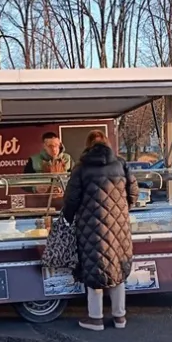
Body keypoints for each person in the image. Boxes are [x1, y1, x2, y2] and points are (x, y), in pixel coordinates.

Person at [62, 129, 139, 331]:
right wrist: (123, 211)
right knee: (116, 268)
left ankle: (95, 319)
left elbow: (71, 198)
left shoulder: (81, 167)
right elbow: (134, 192)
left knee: (94, 269)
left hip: (90, 226)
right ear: (107, 144)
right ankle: (119, 317)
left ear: (88, 145)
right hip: (119, 225)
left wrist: (68, 218)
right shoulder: (121, 164)